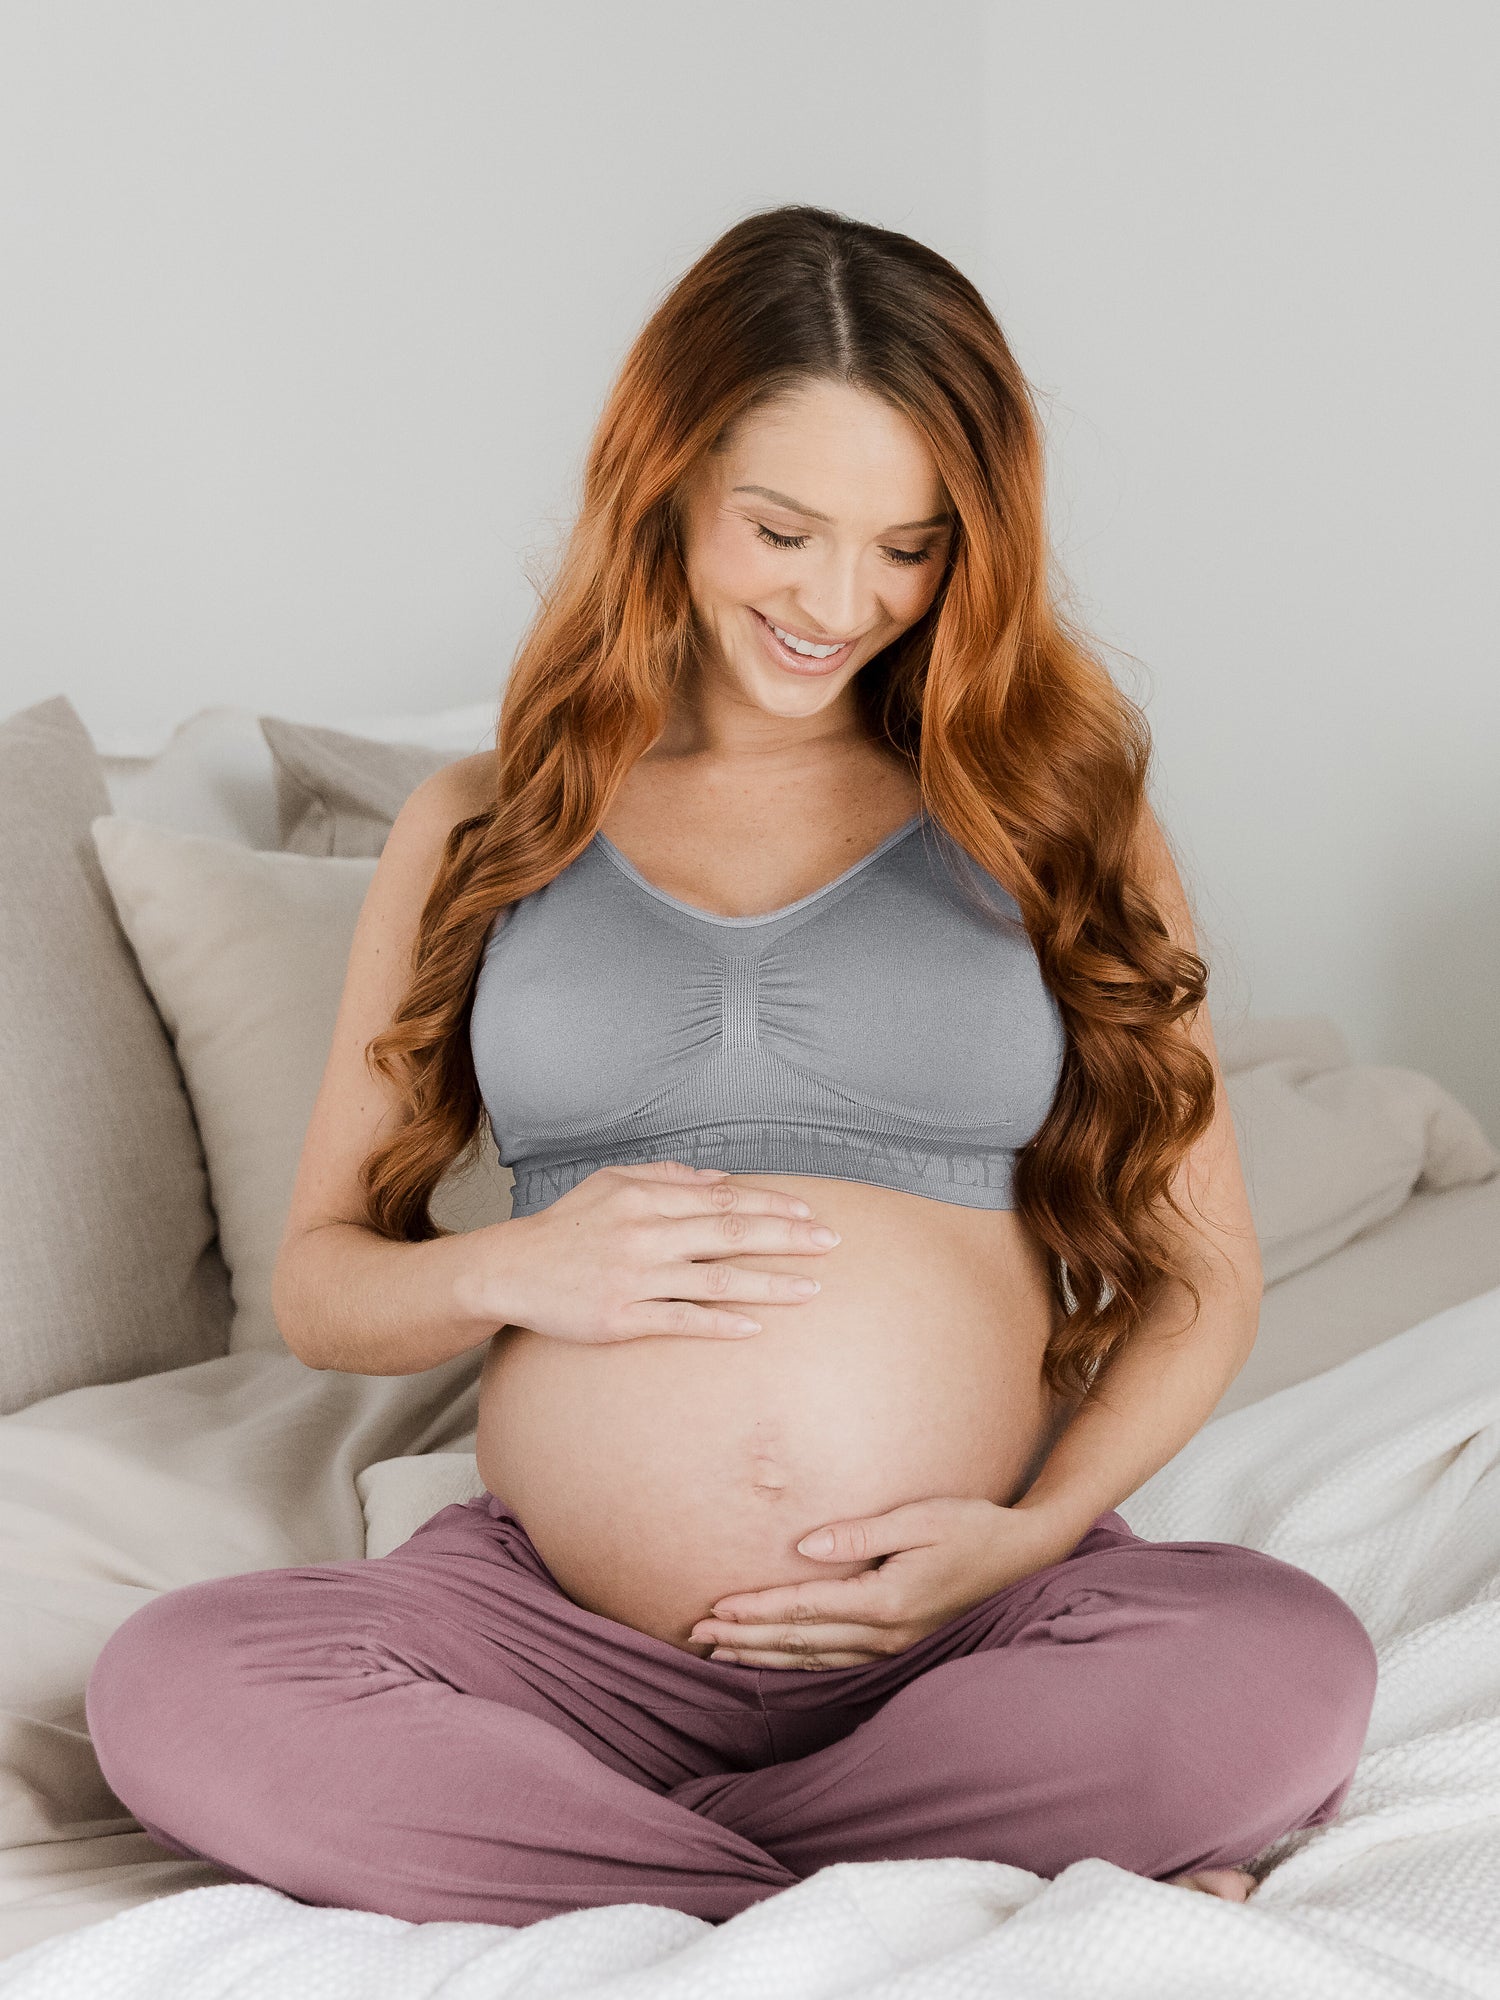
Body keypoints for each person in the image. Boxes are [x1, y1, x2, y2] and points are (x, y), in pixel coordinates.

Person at [85, 203, 1377, 1926]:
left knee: (1283, 1666)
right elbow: (322, 1289)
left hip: (957, 1618)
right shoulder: (482, 823)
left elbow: (1204, 1282)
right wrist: (526, 1267)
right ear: (669, 482)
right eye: (784, 529)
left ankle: (638, 1856)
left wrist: (1029, 1534)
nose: (842, 602)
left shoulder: (1060, 813)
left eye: (911, 549)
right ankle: (881, 1867)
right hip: (561, 1639)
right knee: (177, 1691)